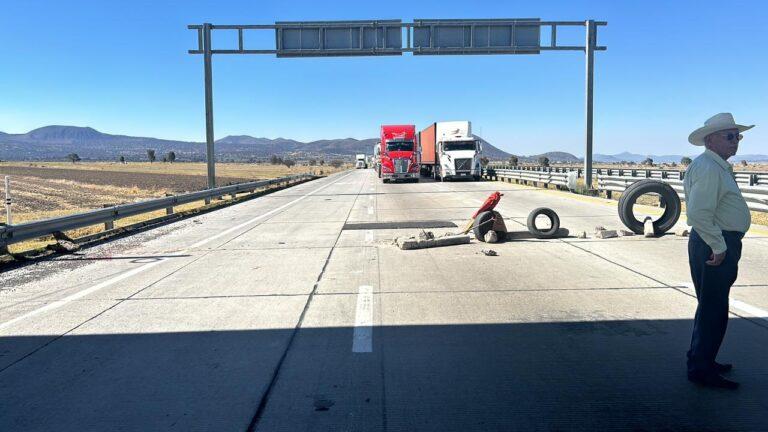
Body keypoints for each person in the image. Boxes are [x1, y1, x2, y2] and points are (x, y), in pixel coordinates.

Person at [684, 113, 754, 389]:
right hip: (714, 242)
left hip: (714, 241)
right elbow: (699, 213)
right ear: (710, 140)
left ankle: (703, 359)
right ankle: (701, 368)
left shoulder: (714, 166)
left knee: (712, 306)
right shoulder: (710, 168)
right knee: (713, 307)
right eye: (729, 136)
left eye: (737, 136)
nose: (735, 142)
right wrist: (719, 245)